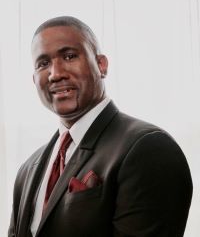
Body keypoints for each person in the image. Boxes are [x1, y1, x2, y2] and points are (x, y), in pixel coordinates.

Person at [8, 16, 193, 237]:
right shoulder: (28, 169)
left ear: (101, 65)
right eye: (43, 64)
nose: (55, 74)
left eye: (69, 56)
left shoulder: (149, 148)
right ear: (33, 79)